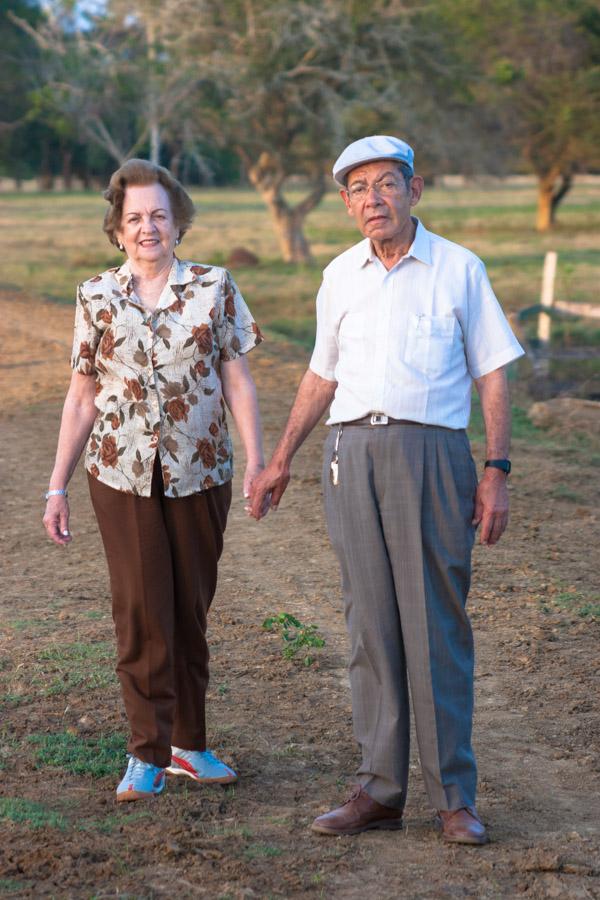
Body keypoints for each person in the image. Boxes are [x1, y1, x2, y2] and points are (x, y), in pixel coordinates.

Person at [249, 135, 524, 843]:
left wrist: (497, 469)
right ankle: (378, 789)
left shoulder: (459, 269)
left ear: (415, 189)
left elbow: (492, 371)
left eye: (387, 184)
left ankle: (453, 797)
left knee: (435, 624)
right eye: (358, 188)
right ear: (345, 203)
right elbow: (321, 375)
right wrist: (281, 457)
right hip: (350, 453)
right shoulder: (339, 275)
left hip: (431, 452)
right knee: (369, 625)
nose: (373, 199)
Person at [43, 158, 264, 802]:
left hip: (201, 473)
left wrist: (257, 458)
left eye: (159, 216)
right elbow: (81, 395)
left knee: (190, 608)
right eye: (134, 217)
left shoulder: (214, 287)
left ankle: (188, 746)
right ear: (117, 229)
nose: (148, 228)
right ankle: (146, 751)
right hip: (120, 475)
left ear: (178, 222)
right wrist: (56, 486)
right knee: (141, 612)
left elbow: (236, 378)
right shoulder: (95, 296)